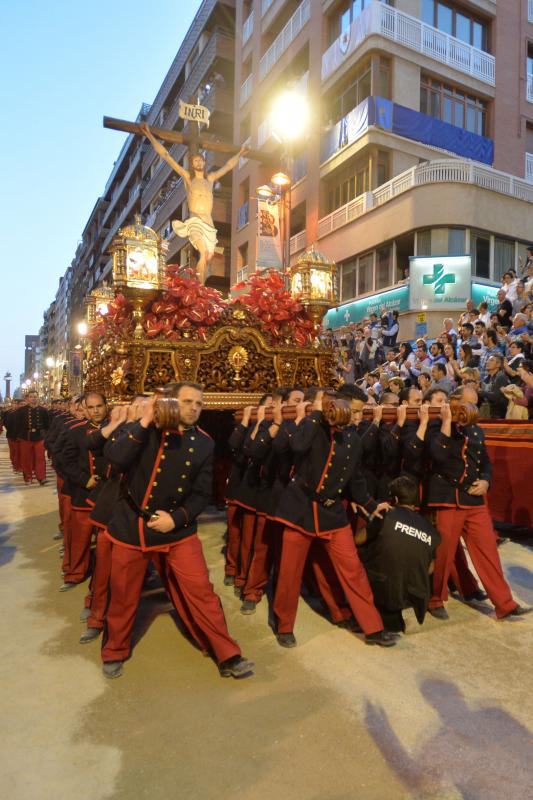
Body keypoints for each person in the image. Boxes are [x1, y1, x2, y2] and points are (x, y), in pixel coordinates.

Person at [101, 382, 254, 679]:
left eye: (199, 403)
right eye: (187, 401)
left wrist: (176, 519)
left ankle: (227, 654)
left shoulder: (204, 443)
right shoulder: (145, 430)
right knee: (123, 594)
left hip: (177, 531)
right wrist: (146, 418)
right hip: (134, 526)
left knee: (202, 592)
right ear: (171, 402)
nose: (194, 408)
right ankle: (114, 651)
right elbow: (116, 458)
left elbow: (201, 493)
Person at [272, 392, 396, 648]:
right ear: (339, 406)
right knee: (289, 573)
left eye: (361, 412)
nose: (359, 417)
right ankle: (284, 625)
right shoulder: (314, 426)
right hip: (300, 509)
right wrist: (317, 413)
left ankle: (373, 627)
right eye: (355, 411)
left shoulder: (353, 439)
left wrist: (370, 505)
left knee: (353, 570)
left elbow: (355, 479)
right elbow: (297, 446)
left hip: (332, 514)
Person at [424, 399, 530, 620]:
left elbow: (486, 463)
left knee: (488, 551)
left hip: (474, 501)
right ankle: (435, 599)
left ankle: (505, 604)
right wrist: (446, 423)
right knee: (444, 554)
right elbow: (438, 455)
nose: (471, 407)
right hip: (448, 498)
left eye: (473, 403)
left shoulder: (476, 430)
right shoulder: (435, 426)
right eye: (467, 402)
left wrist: (486, 481)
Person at [140, 123, 248, 282]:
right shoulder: (188, 178)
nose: (198, 163)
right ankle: (199, 288)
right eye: (195, 161)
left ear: (204, 163)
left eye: (201, 160)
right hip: (195, 221)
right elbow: (166, 156)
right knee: (203, 253)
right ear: (192, 164)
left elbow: (227, 166)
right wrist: (149, 135)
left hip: (208, 222)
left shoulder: (210, 179)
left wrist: (240, 154)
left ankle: (200, 285)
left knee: (208, 257)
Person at [357, 476, 441, 632]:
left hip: (383, 587)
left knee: (359, 550)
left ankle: (369, 610)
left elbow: (357, 540)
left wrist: (371, 519)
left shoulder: (386, 515)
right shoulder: (431, 529)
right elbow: (430, 569)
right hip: (414, 593)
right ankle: (404, 611)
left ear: (394, 499)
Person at [14, 391, 49, 484]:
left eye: (35, 396)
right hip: (26, 437)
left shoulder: (43, 410)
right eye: (31, 396)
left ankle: (41, 477)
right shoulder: (21, 410)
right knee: (26, 459)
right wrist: (18, 436)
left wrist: (46, 436)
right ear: (28, 398)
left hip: (39, 437)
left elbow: (47, 425)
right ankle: (28, 477)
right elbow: (17, 424)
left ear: (38, 398)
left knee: (40, 458)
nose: (33, 398)